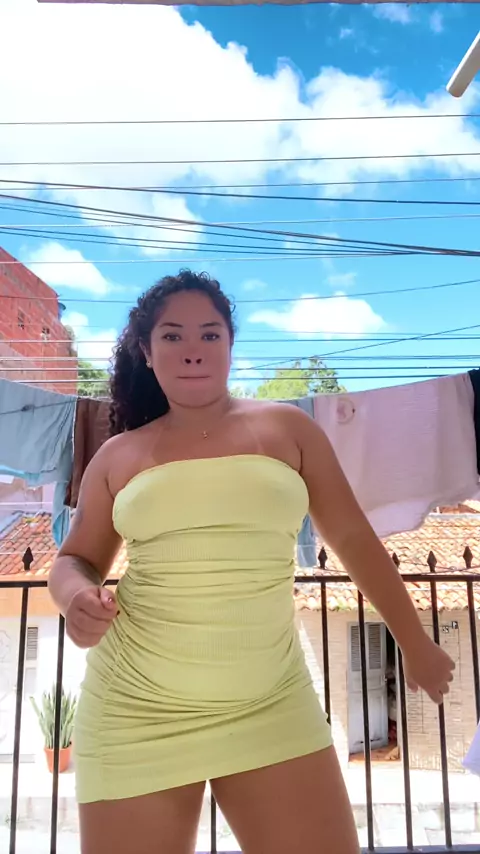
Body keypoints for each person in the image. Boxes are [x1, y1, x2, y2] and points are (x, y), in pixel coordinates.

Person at [48, 270, 455, 854]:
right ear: (146, 350)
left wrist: (413, 640)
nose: (193, 350)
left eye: (210, 334)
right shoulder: (117, 455)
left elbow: (353, 537)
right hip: (136, 710)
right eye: (172, 336)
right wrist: (75, 598)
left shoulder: (287, 427)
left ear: (231, 344)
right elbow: (75, 560)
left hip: (271, 703)